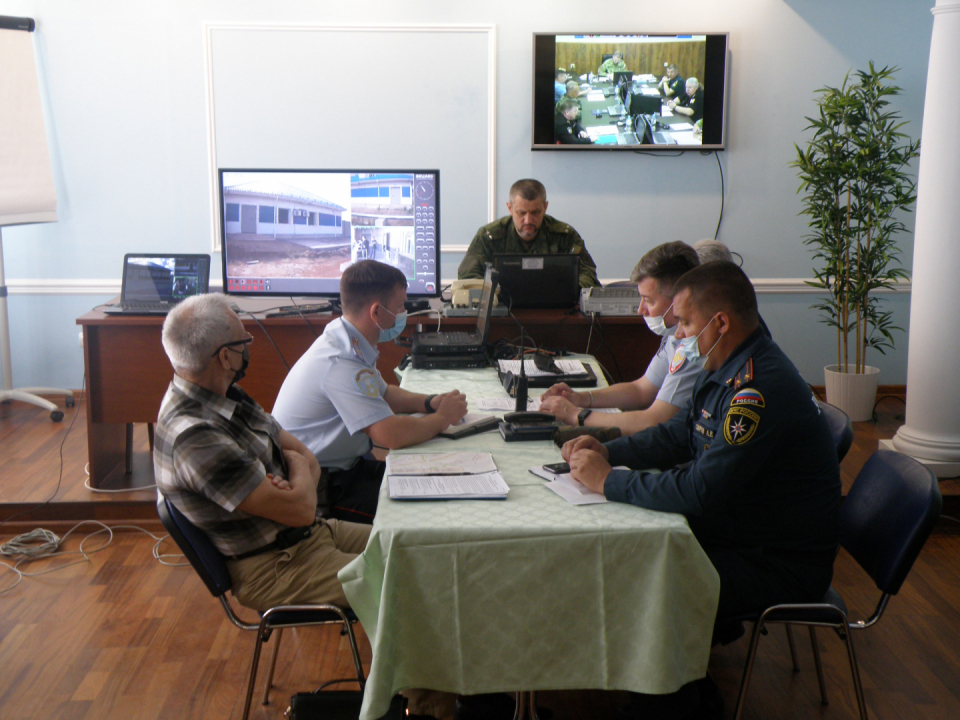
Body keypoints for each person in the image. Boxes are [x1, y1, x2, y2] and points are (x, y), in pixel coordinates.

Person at [562, 261, 841, 717]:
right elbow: (679, 436)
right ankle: (681, 685)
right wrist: (613, 450)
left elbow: (698, 491)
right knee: (634, 558)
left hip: (775, 561)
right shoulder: (727, 366)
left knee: (644, 583)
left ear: (721, 323)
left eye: (687, 323)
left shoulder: (757, 389)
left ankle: (676, 703)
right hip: (739, 533)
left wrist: (609, 481)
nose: (680, 333)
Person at [153, 293, 373, 615]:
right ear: (226, 357)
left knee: (416, 547)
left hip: (307, 537)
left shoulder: (224, 393)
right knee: (408, 579)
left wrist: (295, 475)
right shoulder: (194, 438)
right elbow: (301, 509)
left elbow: (302, 454)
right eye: (245, 340)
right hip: (275, 568)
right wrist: (297, 474)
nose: (248, 347)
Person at [272, 260, 468, 524]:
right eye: (400, 307)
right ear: (377, 312)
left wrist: (430, 403)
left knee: (431, 481)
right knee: (426, 514)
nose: (403, 313)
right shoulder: (341, 361)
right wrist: (443, 418)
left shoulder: (346, 339)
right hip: (321, 488)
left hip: (341, 469)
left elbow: (384, 394)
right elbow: (390, 435)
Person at [539, 241, 700, 432]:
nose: (641, 310)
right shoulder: (674, 335)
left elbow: (654, 420)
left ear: (680, 299)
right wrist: (580, 399)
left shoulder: (695, 347)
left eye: (649, 301)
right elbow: (641, 390)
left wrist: (576, 415)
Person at [458, 179, 601, 288]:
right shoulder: (489, 236)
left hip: (555, 312)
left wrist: (566, 291)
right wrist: (494, 293)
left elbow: (587, 272)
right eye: (521, 213)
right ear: (510, 208)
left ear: (545, 207)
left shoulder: (564, 235)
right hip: (503, 313)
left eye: (535, 212)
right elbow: (468, 275)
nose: (528, 220)